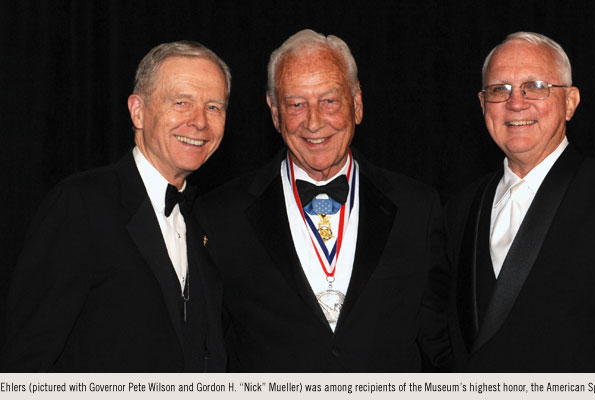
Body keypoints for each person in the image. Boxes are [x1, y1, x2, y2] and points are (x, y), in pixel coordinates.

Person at [196, 29, 450, 372]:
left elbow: (440, 345)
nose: (314, 122)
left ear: (357, 103)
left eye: (329, 100)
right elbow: (207, 352)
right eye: (296, 104)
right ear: (274, 112)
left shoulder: (418, 208)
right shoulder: (220, 216)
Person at [1, 41, 230, 372]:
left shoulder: (204, 223)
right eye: (181, 102)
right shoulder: (81, 205)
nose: (199, 122)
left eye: (214, 107)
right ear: (138, 111)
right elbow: (26, 360)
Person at [446, 32, 595, 371]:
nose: (515, 102)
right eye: (499, 89)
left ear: (570, 101)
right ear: (482, 105)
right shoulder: (459, 209)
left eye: (535, 86)